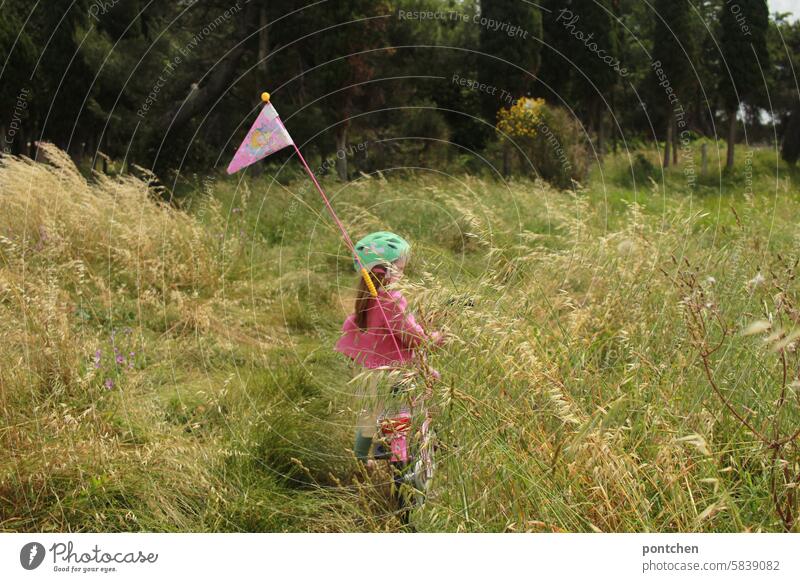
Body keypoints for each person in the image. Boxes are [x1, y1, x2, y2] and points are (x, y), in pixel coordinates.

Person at [335, 231, 442, 465]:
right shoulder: (392, 299)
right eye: (401, 269)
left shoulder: (366, 299)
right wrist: (434, 339)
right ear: (388, 271)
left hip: (370, 373)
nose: (403, 274)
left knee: (369, 416)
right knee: (409, 407)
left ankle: (362, 459)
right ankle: (404, 458)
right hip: (395, 373)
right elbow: (410, 334)